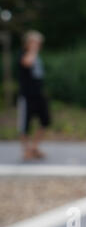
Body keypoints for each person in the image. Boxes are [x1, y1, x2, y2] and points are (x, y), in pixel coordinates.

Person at [17, 30, 51, 161]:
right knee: (25, 124)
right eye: (35, 43)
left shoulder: (37, 56)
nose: (38, 45)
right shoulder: (23, 54)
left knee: (45, 121)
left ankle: (34, 147)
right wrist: (32, 50)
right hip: (27, 95)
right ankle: (26, 150)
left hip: (39, 94)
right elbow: (27, 63)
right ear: (28, 43)